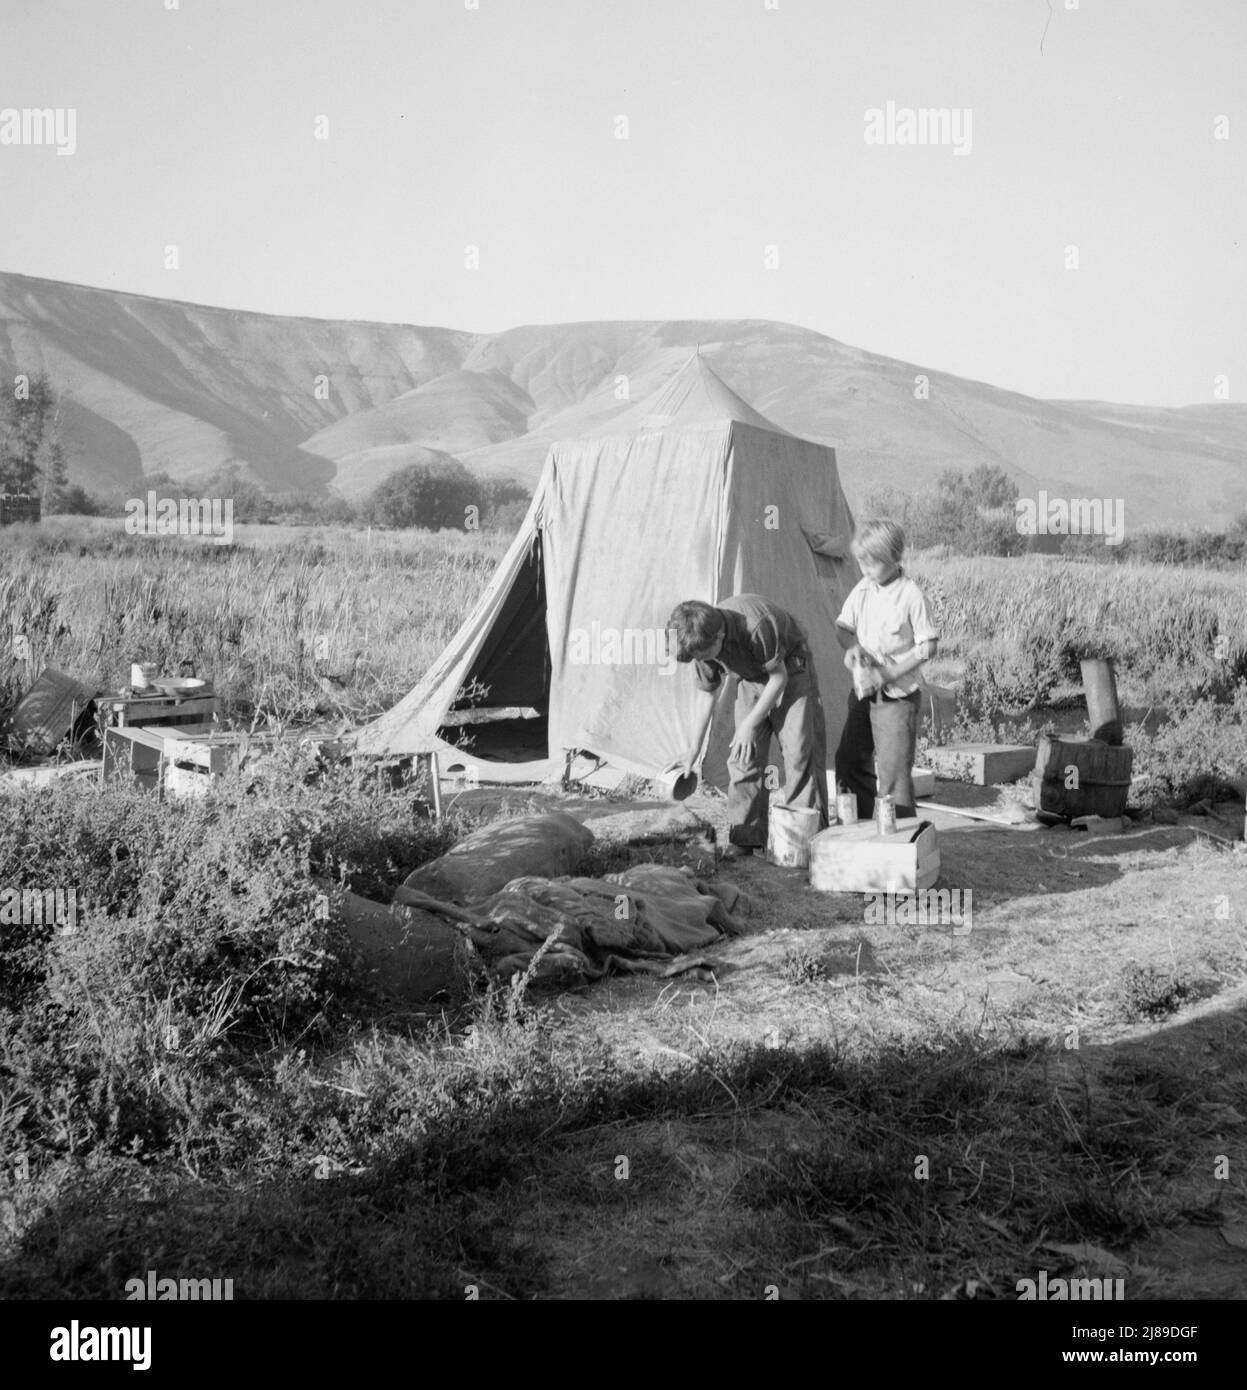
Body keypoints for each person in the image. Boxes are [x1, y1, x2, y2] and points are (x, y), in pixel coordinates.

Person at [664, 594, 828, 859]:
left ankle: (806, 840)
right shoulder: (699, 640)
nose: (703, 660)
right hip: (750, 679)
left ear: (719, 637)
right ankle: (746, 839)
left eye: (705, 655)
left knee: (800, 754)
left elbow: (778, 678)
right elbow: (708, 694)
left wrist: (749, 724)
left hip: (791, 671)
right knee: (743, 758)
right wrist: (693, 749)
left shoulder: (757, 624)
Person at [833, 519, 939, 819]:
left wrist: (888, 674)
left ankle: (900, 841)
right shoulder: (865, 588)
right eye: (861, 563)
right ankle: (866, 825)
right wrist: (851, 648)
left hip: (898, 696)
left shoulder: (911, 595)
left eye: (872, 564)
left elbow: (928, 647)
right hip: (863, 692)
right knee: (849, 760)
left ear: (894, 557)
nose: (866, 571)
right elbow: (842, 627)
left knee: (893, 774)